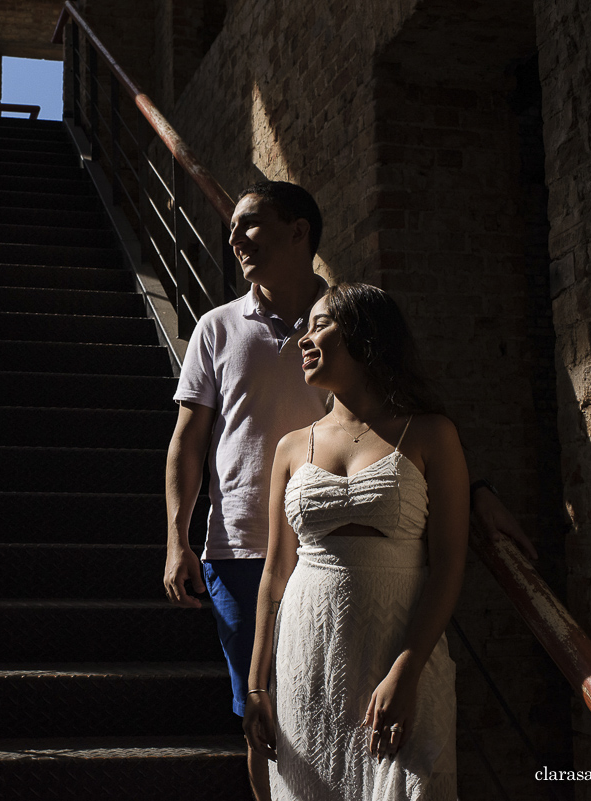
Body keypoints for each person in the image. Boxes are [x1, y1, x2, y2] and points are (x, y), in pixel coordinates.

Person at [163, 181, 533, 801]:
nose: (233, 239)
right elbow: (186, 442)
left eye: (249, 225)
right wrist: (177, 540)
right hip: (241, 550)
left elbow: (403, 421)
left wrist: (473, 489)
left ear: (299, 231)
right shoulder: (215, 328)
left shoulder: (349, 317)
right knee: (263, 718)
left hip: (360, 549)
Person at [242, 282, 463, 799]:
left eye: (321, 324)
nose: (304, 338)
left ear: (366, 336)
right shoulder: (293, 446)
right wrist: (256, 686)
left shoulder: (431, 433)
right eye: (305, 327)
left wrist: (405, 673)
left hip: (400, 650)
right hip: (308, 655)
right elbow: (275, 575)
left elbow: (450, 565)